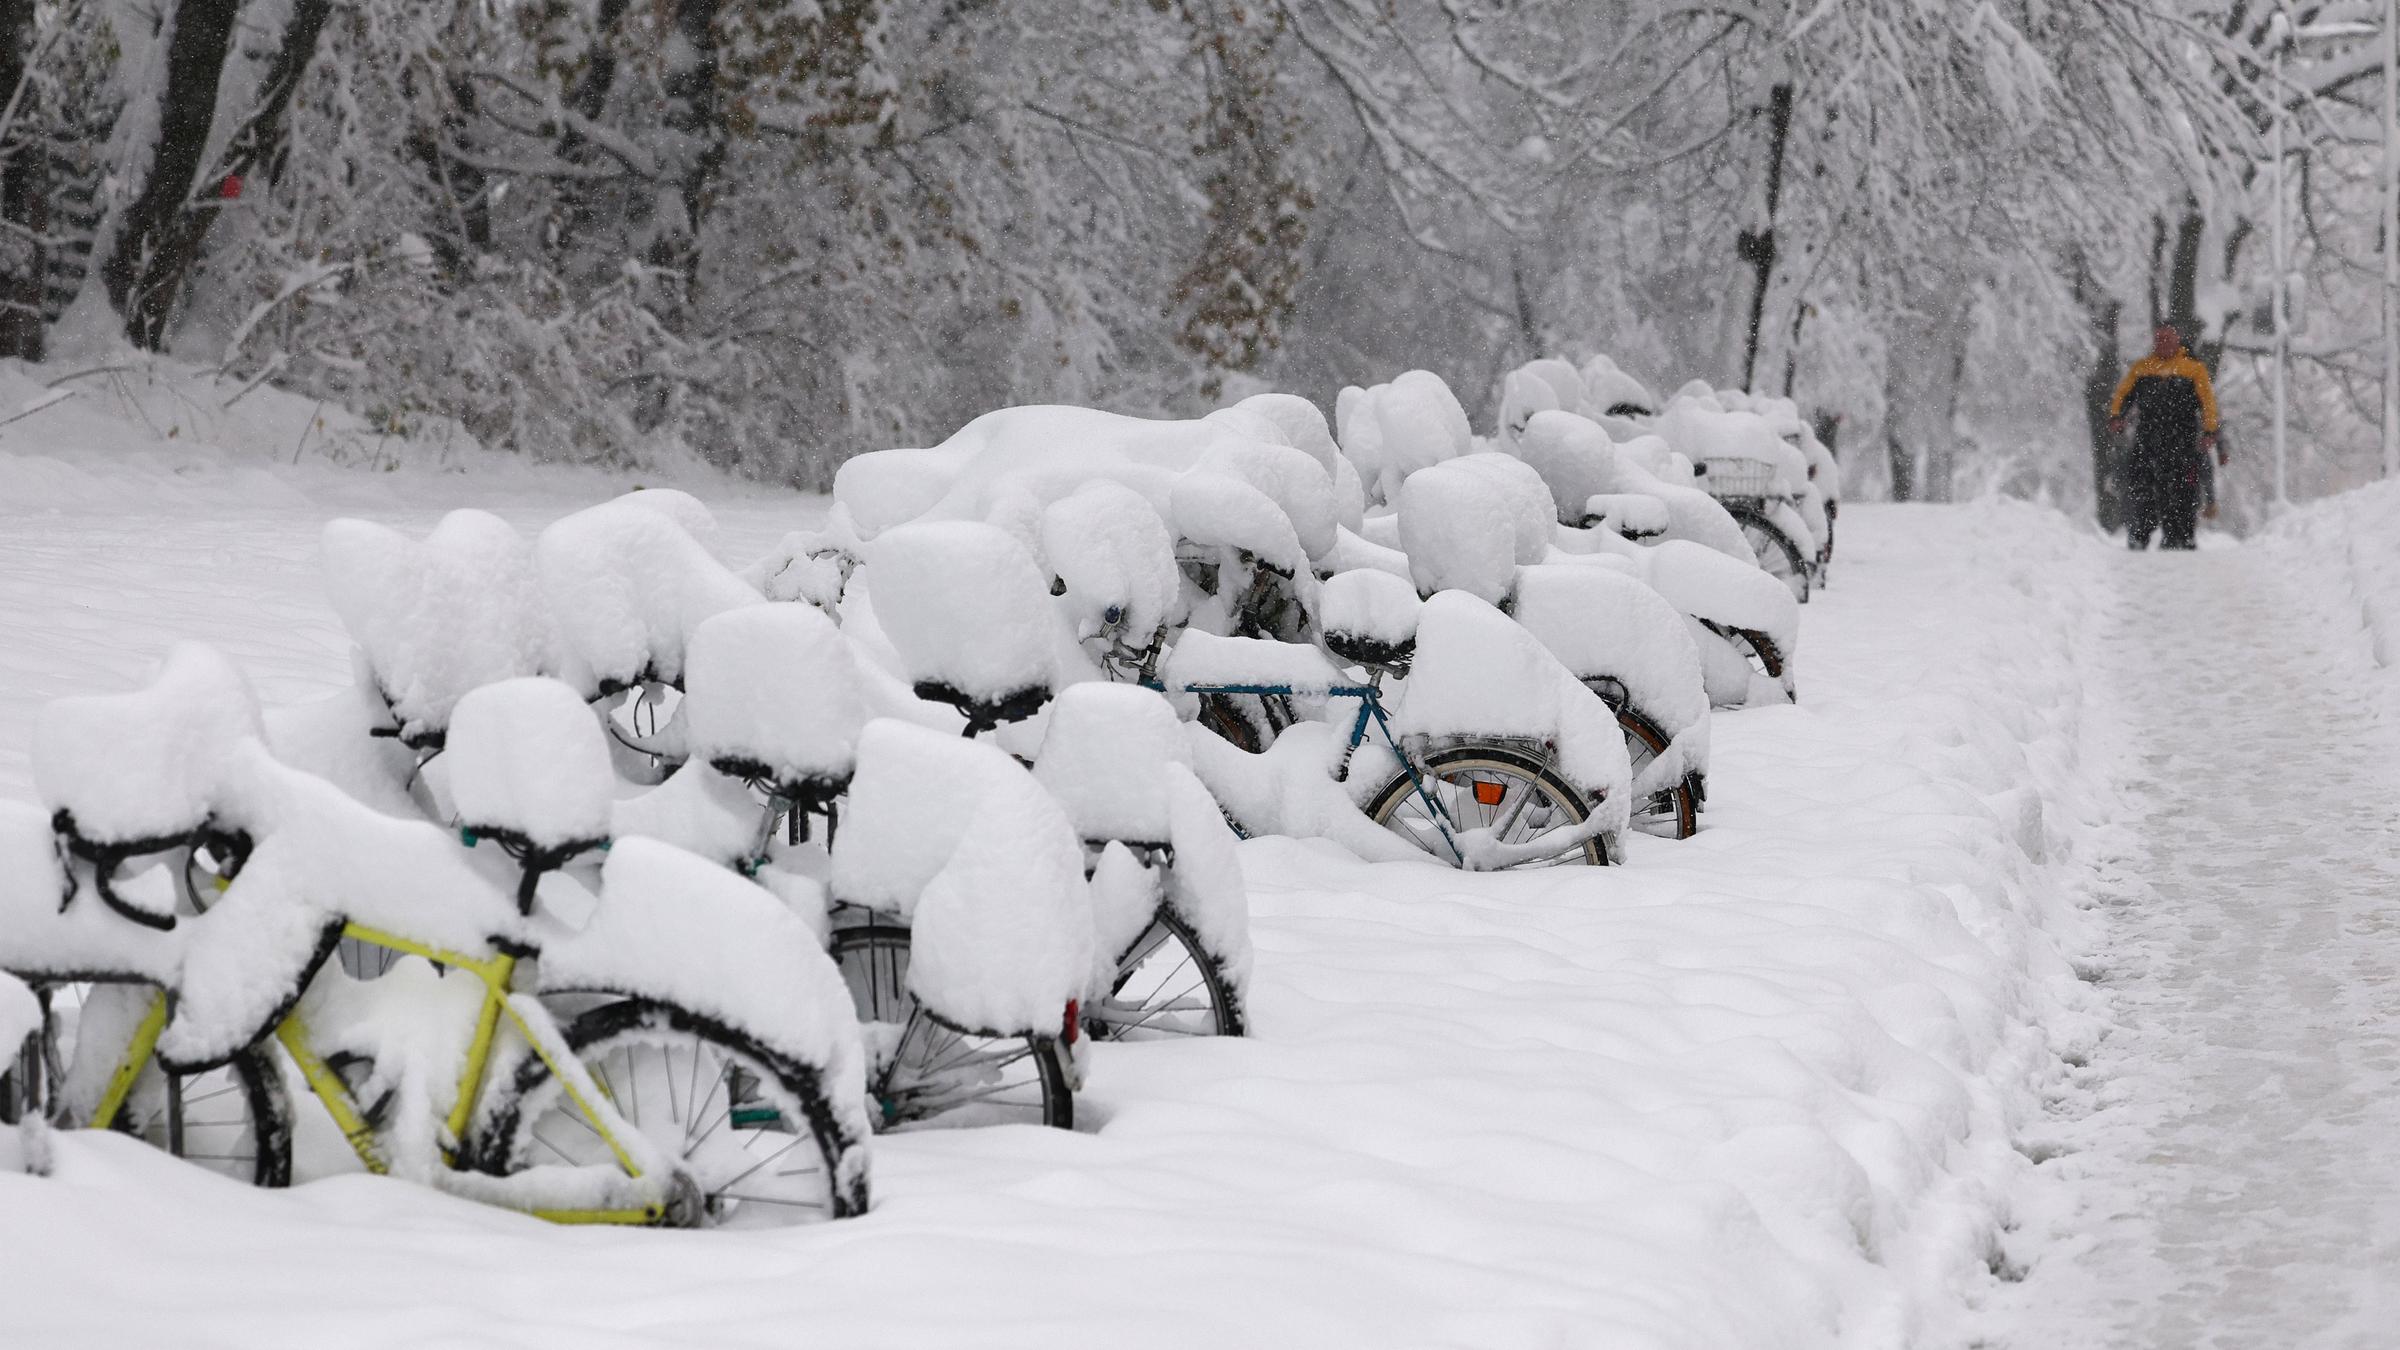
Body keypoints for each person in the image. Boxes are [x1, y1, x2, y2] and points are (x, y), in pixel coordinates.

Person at [2108, 325, 2224, 550]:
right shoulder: (2142, 368)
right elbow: (2123, 394)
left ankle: (2180, 535)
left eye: (2167, 338)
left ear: (2177, 340)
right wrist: (2116, 416)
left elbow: (2208, 403)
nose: (2162, 343)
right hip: (2147, 438)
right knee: (2141, 487)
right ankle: (2139, 534)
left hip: (2182, 439)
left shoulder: (2193, 369)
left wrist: (2210, 432)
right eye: (2158, 338)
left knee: (2183, 489)